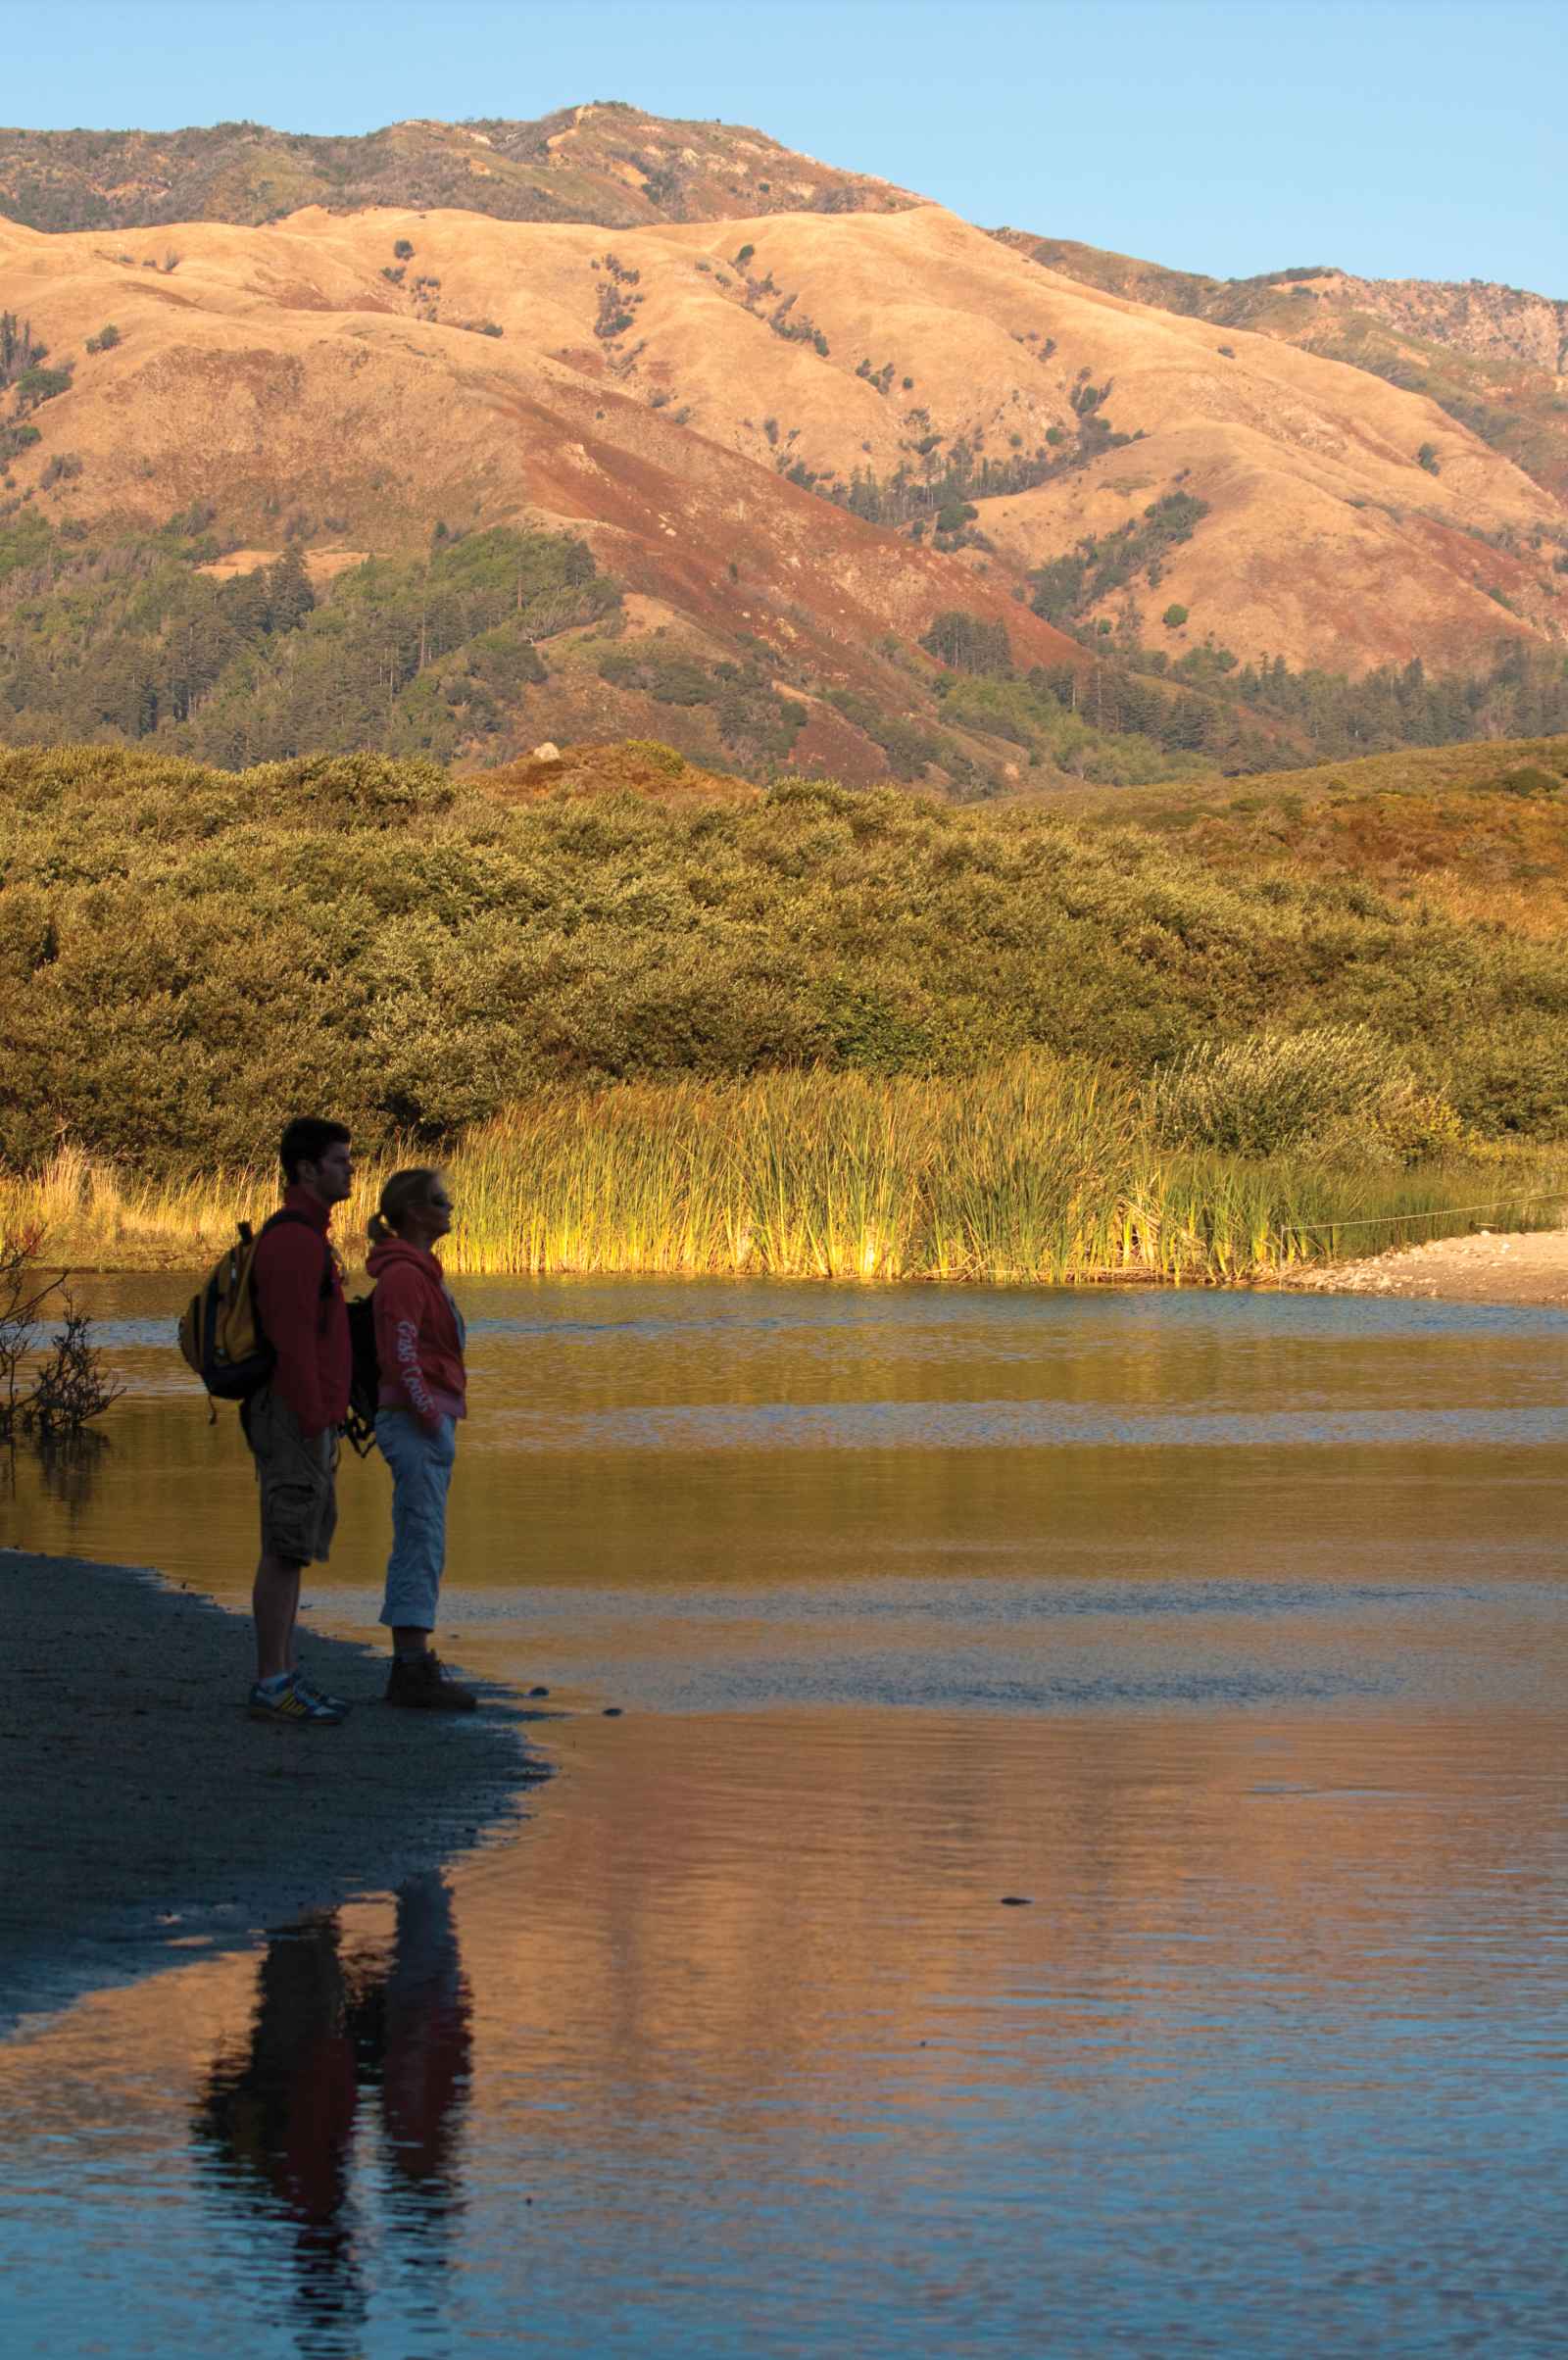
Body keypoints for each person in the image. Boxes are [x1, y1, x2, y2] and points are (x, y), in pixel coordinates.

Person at [244, 1116, 354, 1727]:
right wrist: (313, 1417)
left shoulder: (312, 1235)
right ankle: (271, 1679)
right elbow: (290, 1341)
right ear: (307, 1169)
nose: (350, 1171)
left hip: (307, 1415)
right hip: (292, 1414)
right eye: (340, 1161)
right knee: (284, 1545)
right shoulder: (293, 1241)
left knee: (294, 1547)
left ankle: (282, 1672)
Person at [367, 1168, 476, 1710]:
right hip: (415, 1425)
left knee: (424, 1537)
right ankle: (410, 1668)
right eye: (439, 1200)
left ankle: (413, 1662)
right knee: (419, 1538)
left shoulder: (419, 1273)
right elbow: (400, 1353)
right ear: (413, 1211)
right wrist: (429, 1414)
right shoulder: (405, 1278)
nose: (449, 1207)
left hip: (426, 1423)